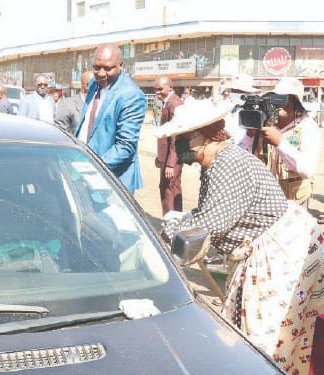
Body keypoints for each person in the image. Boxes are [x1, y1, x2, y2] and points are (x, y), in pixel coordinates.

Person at [157, 99, 323, 375]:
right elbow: (209, 213)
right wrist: (184, 220)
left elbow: (209, 226)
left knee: (264, 344)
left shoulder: (228, 164)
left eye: (183, 139)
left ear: (209, 134)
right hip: (272, 248)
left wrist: (171, 230)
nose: (179, 146)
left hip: (280, 256)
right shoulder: (218, 162)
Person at [238, 77, 321, 208]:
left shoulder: (308, 127)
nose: (277, 103)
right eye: (274, 98)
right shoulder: (264, 123)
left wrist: (280, 143)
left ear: (296, 103)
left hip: (295, 204)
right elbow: (239, 158)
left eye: (283, 98)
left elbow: (307, 169)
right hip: (266, 201)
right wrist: (250, 136)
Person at [74, 43, 146, 194]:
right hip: (84, 171)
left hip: (111, 179)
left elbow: (125, 146)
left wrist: (90, 168)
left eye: (108, 68)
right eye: (96, 67)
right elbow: (87, 123)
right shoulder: (94, 84)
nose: (101, 73)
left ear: (121, 65)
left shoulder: (130, 95)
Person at [153, 76, 183, 216]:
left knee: (167, 189)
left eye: (160, 89)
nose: (157, 93)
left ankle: (169, 226)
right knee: (174, 188)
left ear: (170, 87)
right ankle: (176, 223)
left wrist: (170, 164)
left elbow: (176, 137)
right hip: (167, 156)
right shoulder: (168, 102)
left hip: (172, 157)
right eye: (156, 90)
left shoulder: (173, 104)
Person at [223, 74, 260, 144]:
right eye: (234, 90)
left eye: (240, 91)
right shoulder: (225, 107)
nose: (235, 93)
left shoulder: (255, 111)